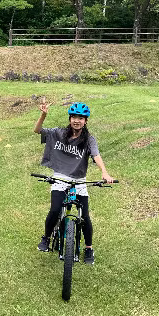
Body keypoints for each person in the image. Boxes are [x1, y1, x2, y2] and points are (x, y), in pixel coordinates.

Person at [33, 102, 114, 264]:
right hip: (60, 177)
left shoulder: (89, 140)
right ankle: (46, 238)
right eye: (74, 117)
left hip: (79, 180)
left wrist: (104, 172)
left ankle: (89, 249)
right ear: (70, 119)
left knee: (85, 216)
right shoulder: (59, 133)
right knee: (55, 209)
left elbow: (96, 156)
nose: (77, 121)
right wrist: (43, 115)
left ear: (86, 121)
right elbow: (38, 130)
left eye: (81, 118)